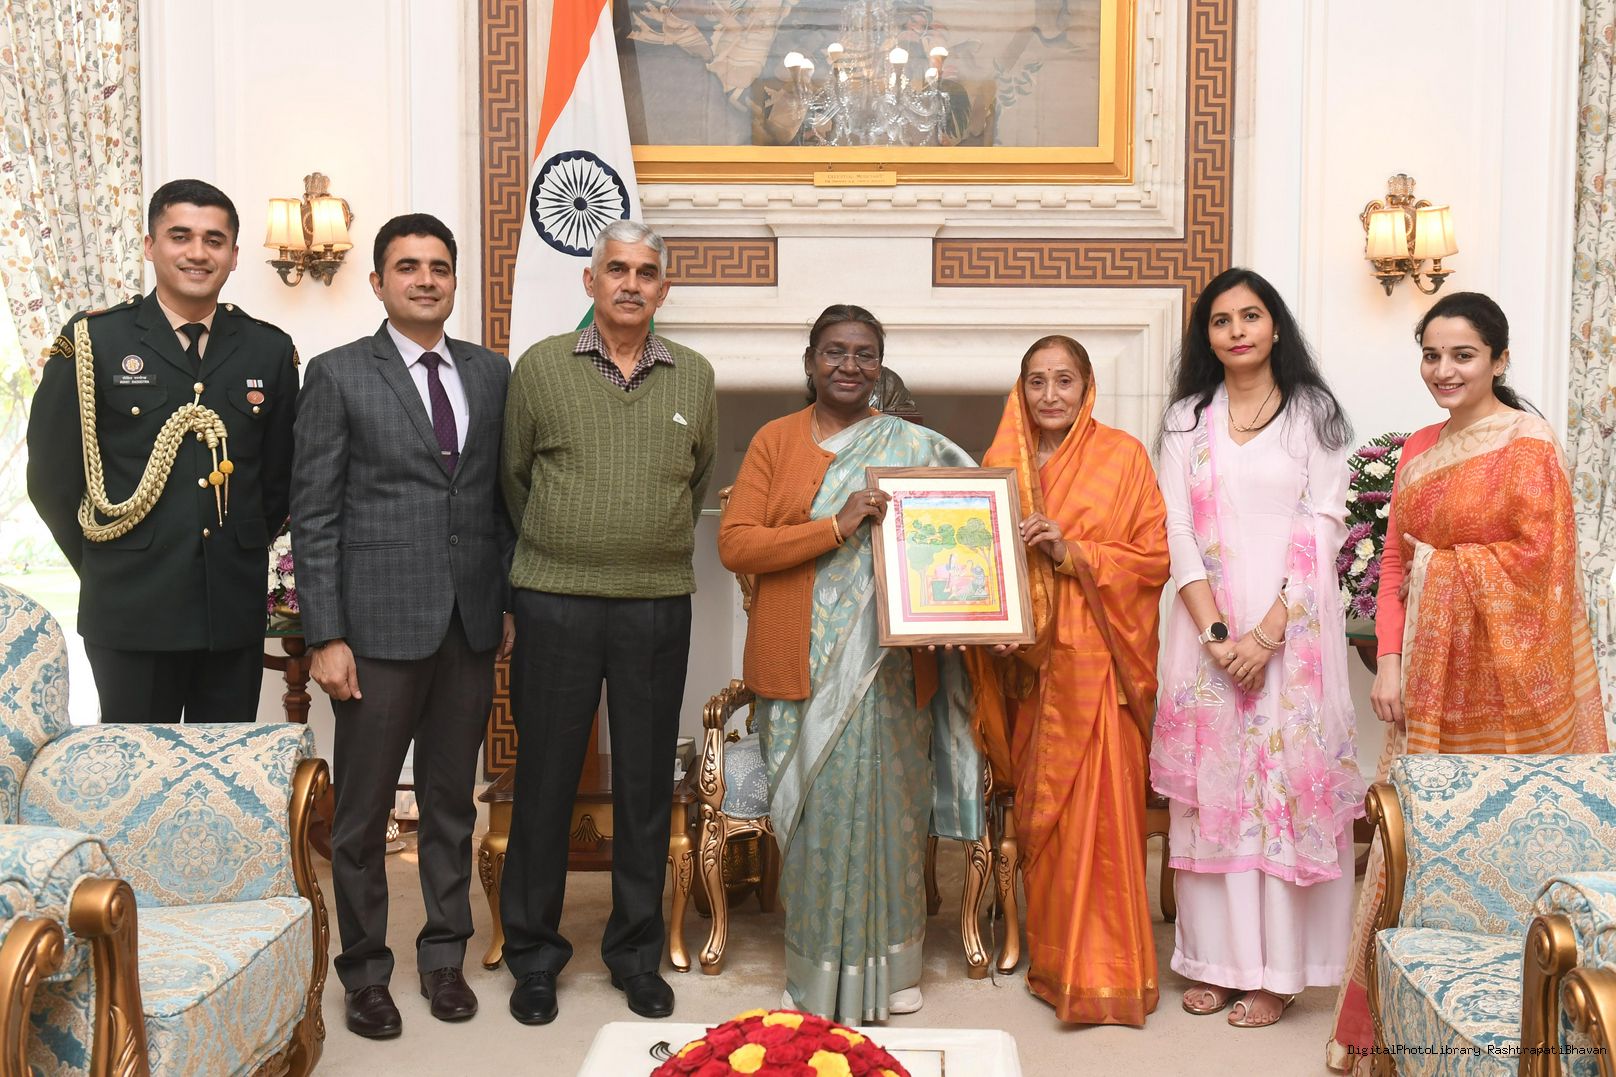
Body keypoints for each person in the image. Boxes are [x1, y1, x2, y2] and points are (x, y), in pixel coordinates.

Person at [1325, 292, 1607, 1069]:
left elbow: (1545, 565)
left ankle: (1526, 1022)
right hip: (1428, 678)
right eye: (1432, 354)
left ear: (1499, 359)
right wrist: (1388, 662)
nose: (1444, 370)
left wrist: (1445, 568)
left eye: (1463, 355)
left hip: (1518, 690)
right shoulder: (1418, 447)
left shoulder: (1529, 443)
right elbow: (1394, 561)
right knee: (1416, 839)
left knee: (1506, 839)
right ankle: (1390, 1033)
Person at [718, 303, 983, 1023]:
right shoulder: (775, 441)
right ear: (811, 362)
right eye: (835, 351)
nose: (849, 365)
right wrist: (833, 526)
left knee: (893, 816)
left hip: (891, 671)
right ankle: (814, 971)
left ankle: (894, 969)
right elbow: (736, 544)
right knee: (815, 820)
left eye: (865, 353)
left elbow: (964, 526)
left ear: (880, 366)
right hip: (798, 668)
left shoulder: (911, 447)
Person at [291, 213, 515, 1039]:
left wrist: (504, 603)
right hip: (375, 630)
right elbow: (314, 513)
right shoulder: (339, 373)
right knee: (362, 815)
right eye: (408, 266)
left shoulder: (491, 373)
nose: (425, 279)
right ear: (379, 281)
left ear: (455, 280)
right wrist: (325, 635)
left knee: (452, 805)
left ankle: (444, 958)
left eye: (439, 266)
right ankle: (365, 973)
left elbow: (499, 501)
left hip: (468, 624)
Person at [499, 220, 717, 1026]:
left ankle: (634, 954)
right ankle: (534, 956)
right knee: (546, 778)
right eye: (616, 269)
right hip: (554, 599)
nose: (631, 283)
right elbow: (513, 480)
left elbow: (695, 481)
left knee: (645, 782)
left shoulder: (695, 374)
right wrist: (567, 545)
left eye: (646, 272)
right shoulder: (541, 367)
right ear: (590, 281)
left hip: (655, 602)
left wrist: (639, 541)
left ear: (664, 288)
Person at [1149, 267, 1364, 1029]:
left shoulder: (1313, 413)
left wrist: (1267, 633)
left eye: (1250, 315)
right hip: (1206, 635)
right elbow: (1176, 527)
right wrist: (1217, 635)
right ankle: (1217, 962)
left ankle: (1278, 975)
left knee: (1281, 792)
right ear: (1206, 336)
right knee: (1216, 797)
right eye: (1221, 320)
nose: (1236, 329)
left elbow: (1323, 526)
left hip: (1292, 638)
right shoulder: (1186, 419)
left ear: (1275, 326)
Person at [25, 178, 298, 724]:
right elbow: (52, 480)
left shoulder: (268, 349)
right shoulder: (95, 342)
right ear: (150, 246)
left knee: (224, 768)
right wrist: (109, 563)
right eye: (180, 236)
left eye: (214, 240)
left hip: (229, 612)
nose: (198, 252)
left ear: (234, 255)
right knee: (136, 770)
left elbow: (279, 480)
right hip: (130, 611)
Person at [967, 335, 1169, 1025]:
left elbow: (1152, 559)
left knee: (1102, 825)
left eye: (1064, 380)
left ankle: (1110, 973)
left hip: (1100, 670)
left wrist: (1070, 550)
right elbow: (978, 566)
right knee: (1046, 826)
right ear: (1020, 389)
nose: (1050, 395)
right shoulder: (999, 466)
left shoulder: (1123, 456)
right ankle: (1054, 963)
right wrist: (988, 625)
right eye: (1036, 381)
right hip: (1031, 673)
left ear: (1087, 387)